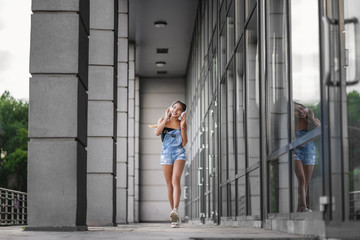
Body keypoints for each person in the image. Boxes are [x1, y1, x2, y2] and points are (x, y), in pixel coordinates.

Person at [154, 100, 187, 228]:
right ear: (170, 108)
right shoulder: (163, 120)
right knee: (169, 184)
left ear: (181, 112)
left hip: (179, 153)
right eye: (174, 107)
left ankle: (175, 210)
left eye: (179, 109)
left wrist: (183, 125)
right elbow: (157, 132)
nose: (175, 110)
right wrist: (166, 118)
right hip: (166, 153)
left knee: (175, 180)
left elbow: (184, 142)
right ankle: (174, 218)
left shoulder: (181, 123)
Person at [293, 102, 321, 213]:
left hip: (309, 152)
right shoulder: (292, 123)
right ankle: (303, 206)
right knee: (302, 179)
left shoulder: (313, 122)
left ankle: (300, 207)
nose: (300, 111)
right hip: (296, 152)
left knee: (306, 182)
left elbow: (319, 130)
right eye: (296, 110)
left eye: (301, 108)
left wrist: (312, 118)